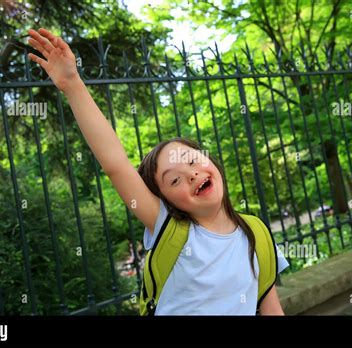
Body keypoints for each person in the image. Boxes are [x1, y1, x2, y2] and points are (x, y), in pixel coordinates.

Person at [27, 28, 290, 315]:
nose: (190, 174)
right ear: (166, 201)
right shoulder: (169, 228)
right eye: (174, 179)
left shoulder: (256, 234)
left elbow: (269, 305)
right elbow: (116, 165)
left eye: (192, 161)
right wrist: (72, 83)